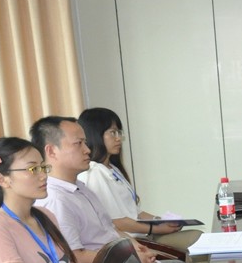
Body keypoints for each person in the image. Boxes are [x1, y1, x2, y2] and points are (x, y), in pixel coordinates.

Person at [29, 115, 206, 263]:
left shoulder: (80, 188)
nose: (87, 149)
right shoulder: (56, 200)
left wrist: (135, 246)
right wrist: (129, 257)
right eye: (78, 143)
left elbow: (110, 228)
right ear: (52, 151)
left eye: (85, 142)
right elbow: (74, 259)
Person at [76, 106, 201, 252]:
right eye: (112, 133)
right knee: (196, 239)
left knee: (197, 239)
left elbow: (136, 213)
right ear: (95, 134)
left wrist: (161, 221)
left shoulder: (112, 169)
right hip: (129, 241)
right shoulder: (94, 173)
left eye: (119, 132)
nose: (118, 138)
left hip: (142, 235)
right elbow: (117, 222)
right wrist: (156, 229)